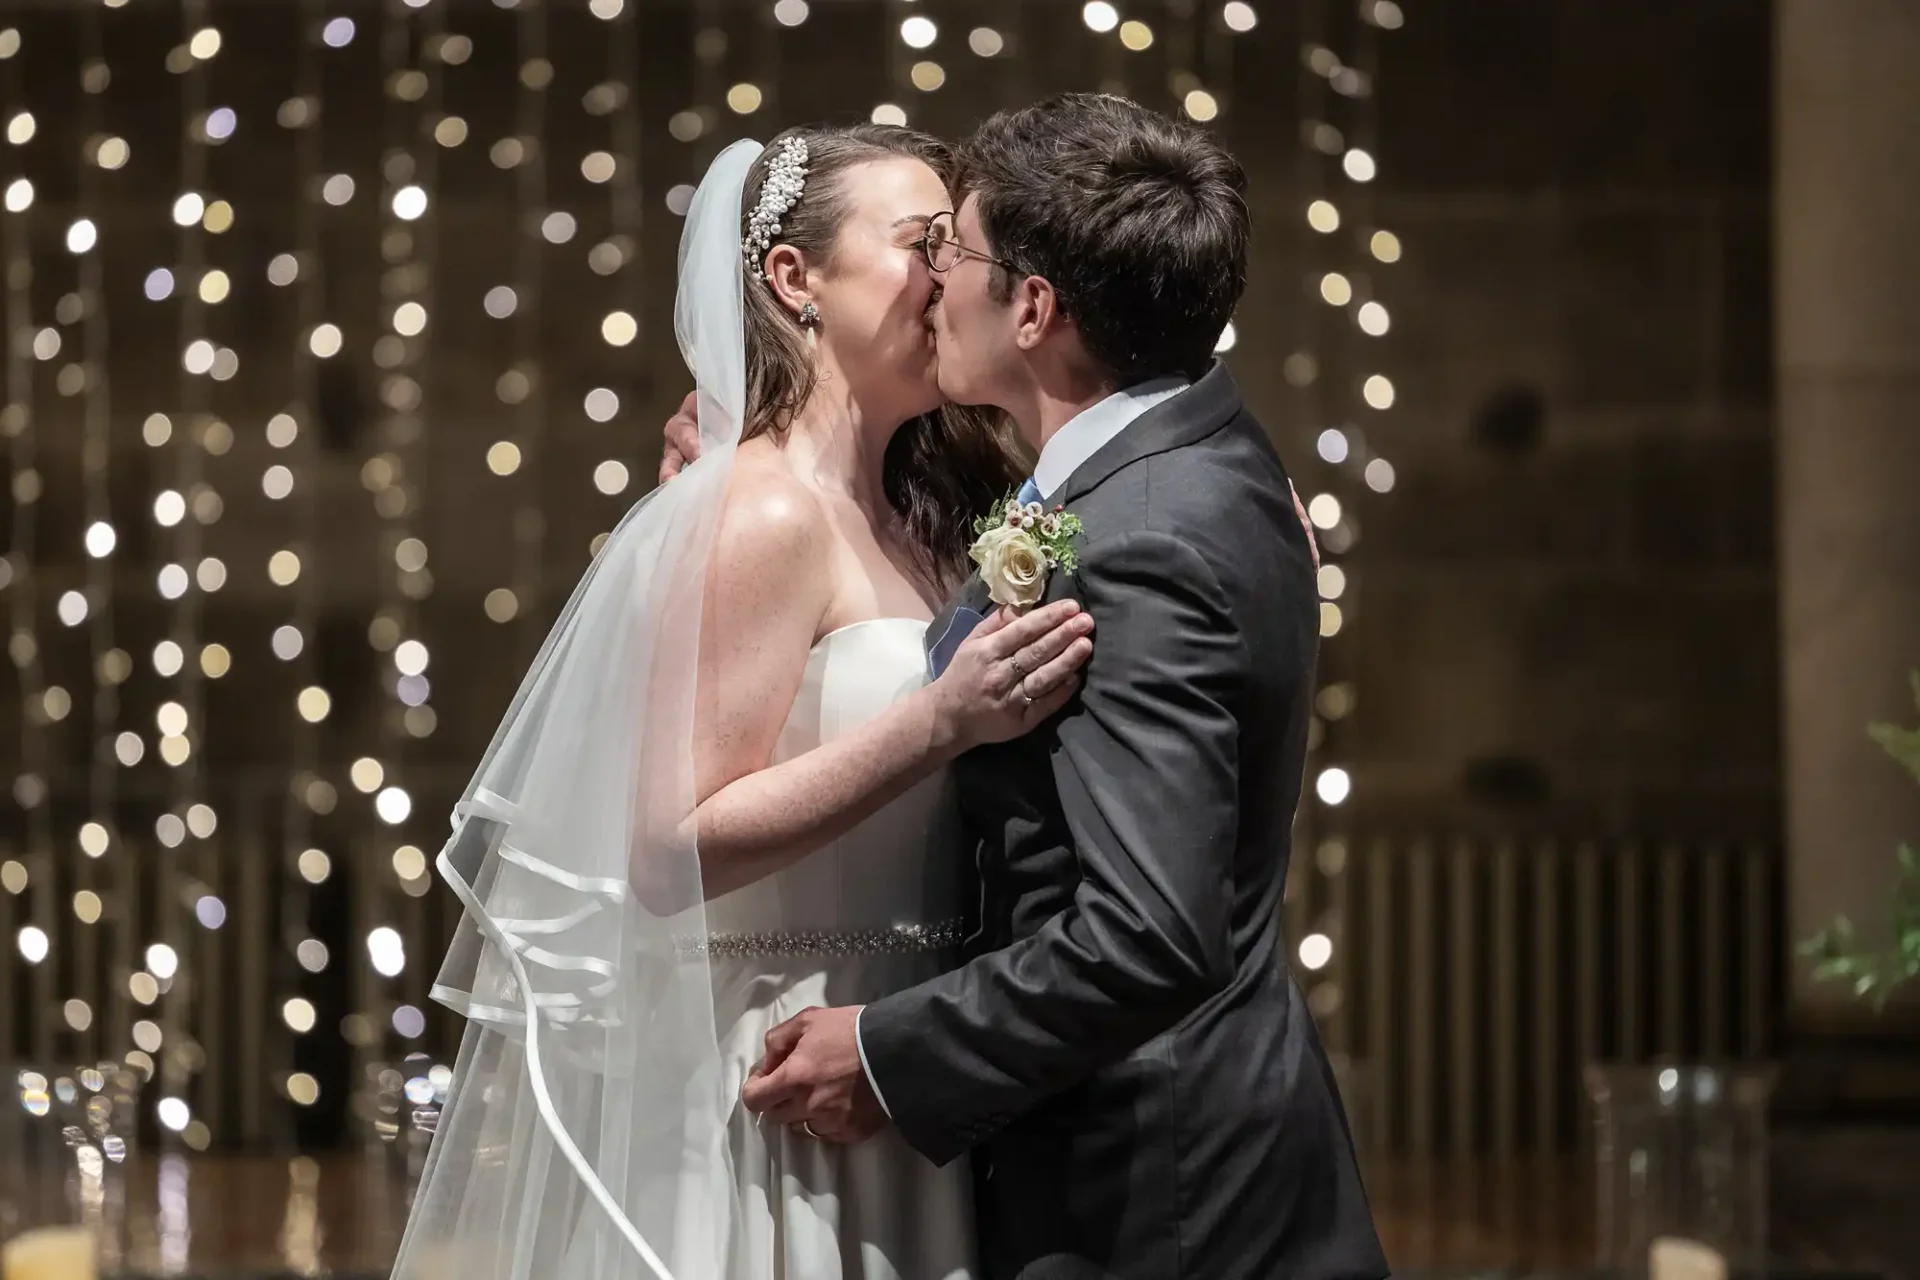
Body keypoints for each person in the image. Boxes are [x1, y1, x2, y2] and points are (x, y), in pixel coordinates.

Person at [679, 94, 1389, 1279]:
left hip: (1152, 1183)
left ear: (1037, 306)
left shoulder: (1141, 528)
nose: (934, 278)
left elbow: (1150, 931)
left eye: (949, 249)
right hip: (1054, 1128)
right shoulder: (1201, 459)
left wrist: (893, 1050)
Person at [394, 125, 1094, 1280]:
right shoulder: (761, 510)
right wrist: (938, 719)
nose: (948, 275)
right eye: (920, 241)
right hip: (772, 1073)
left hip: (896, 1053)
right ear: (792, 279)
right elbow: (669, 846)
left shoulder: (929, 513)